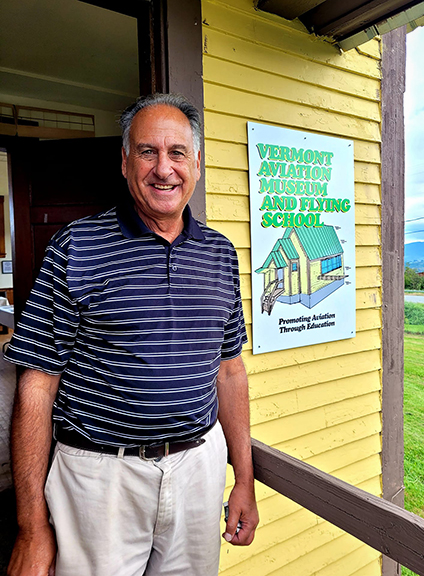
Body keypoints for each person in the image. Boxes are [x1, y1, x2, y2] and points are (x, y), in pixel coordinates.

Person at [5, 93, 258, 576]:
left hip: (197, 471)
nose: (164, 169)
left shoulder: (221, 255)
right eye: (148, 152)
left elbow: (229, 371)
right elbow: (37, 384)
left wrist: (243, 480)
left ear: (197, 164)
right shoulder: (76, 247)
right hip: (100, 478)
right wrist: (31, 526)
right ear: (124, 162)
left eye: (177, 153)